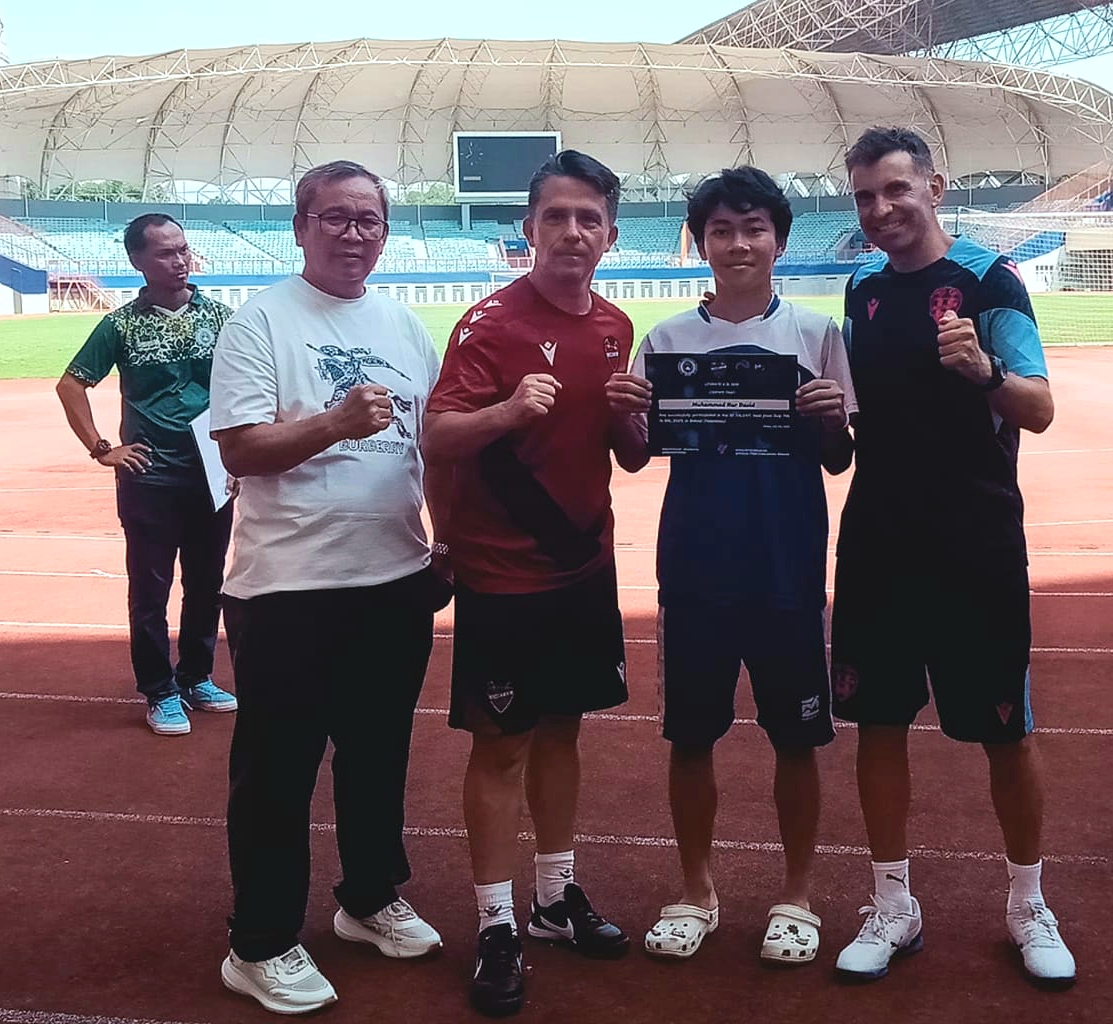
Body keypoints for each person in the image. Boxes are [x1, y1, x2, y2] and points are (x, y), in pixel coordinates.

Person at [828, 126, 1074, 988]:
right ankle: (892, 906)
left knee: (1004, 730)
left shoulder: (990, 280)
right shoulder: (860, 287)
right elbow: (856, 423)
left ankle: (1027, 905)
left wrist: (983, 372)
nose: (879, 209)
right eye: (864, 196)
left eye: (895, 189)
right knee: (877, 722)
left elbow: (1038, 408)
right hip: (877, 537)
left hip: (974, 537)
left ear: (934, 187)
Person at [209, 160, 445, 1016]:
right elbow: (240, 449)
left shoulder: (404, 324)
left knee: (378, 757)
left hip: (394, 577)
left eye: (368, 219)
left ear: (385, 232)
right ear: (300, 227)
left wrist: (446, 541)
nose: (354, 233)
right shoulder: (260, 322)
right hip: (288, 587)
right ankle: (260, 942)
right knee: (277, 773)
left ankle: (368, 897)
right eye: (335, 217)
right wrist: (336, 422)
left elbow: (428, 445)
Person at [606, 166, 855, 965]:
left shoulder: (817, 332)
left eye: (753, 229)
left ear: (778, 240)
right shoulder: (666, 339)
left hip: (785, 563)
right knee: (690, 738)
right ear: (700, 242)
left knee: (797, 739)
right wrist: (622, 417)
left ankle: (797, 896)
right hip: (695, 565)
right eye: (720, 230)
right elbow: (636, 457)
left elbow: (839, 457)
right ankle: (695, 890)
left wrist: (828, 420)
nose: (737, 244)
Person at [422, 150, 635, 1017]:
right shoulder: (490, 325)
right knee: (502, 745)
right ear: (529, 229)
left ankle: (553, 897)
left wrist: (633, 420)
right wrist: (508, 411)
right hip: (504, 573)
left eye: (589, 219)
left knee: (562, 730)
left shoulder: (615, 326)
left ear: (609, 235)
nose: (572, 232)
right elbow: (437, 435)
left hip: (583, 564)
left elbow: (624, 452)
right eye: (556, 217)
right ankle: (496, 922)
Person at [55, 213, 239, 736]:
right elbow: (71, 385)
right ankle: (160, 690)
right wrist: (102, 449)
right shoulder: (120, 326)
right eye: (165, 253)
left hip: (211, 474)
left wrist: (239, 456)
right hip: (150, 476)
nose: (180, 261)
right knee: (150, 589)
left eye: (183, 249)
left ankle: (197, 676)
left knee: (207, 582)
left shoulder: (222, 319)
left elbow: (247, 387)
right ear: (137, 260)